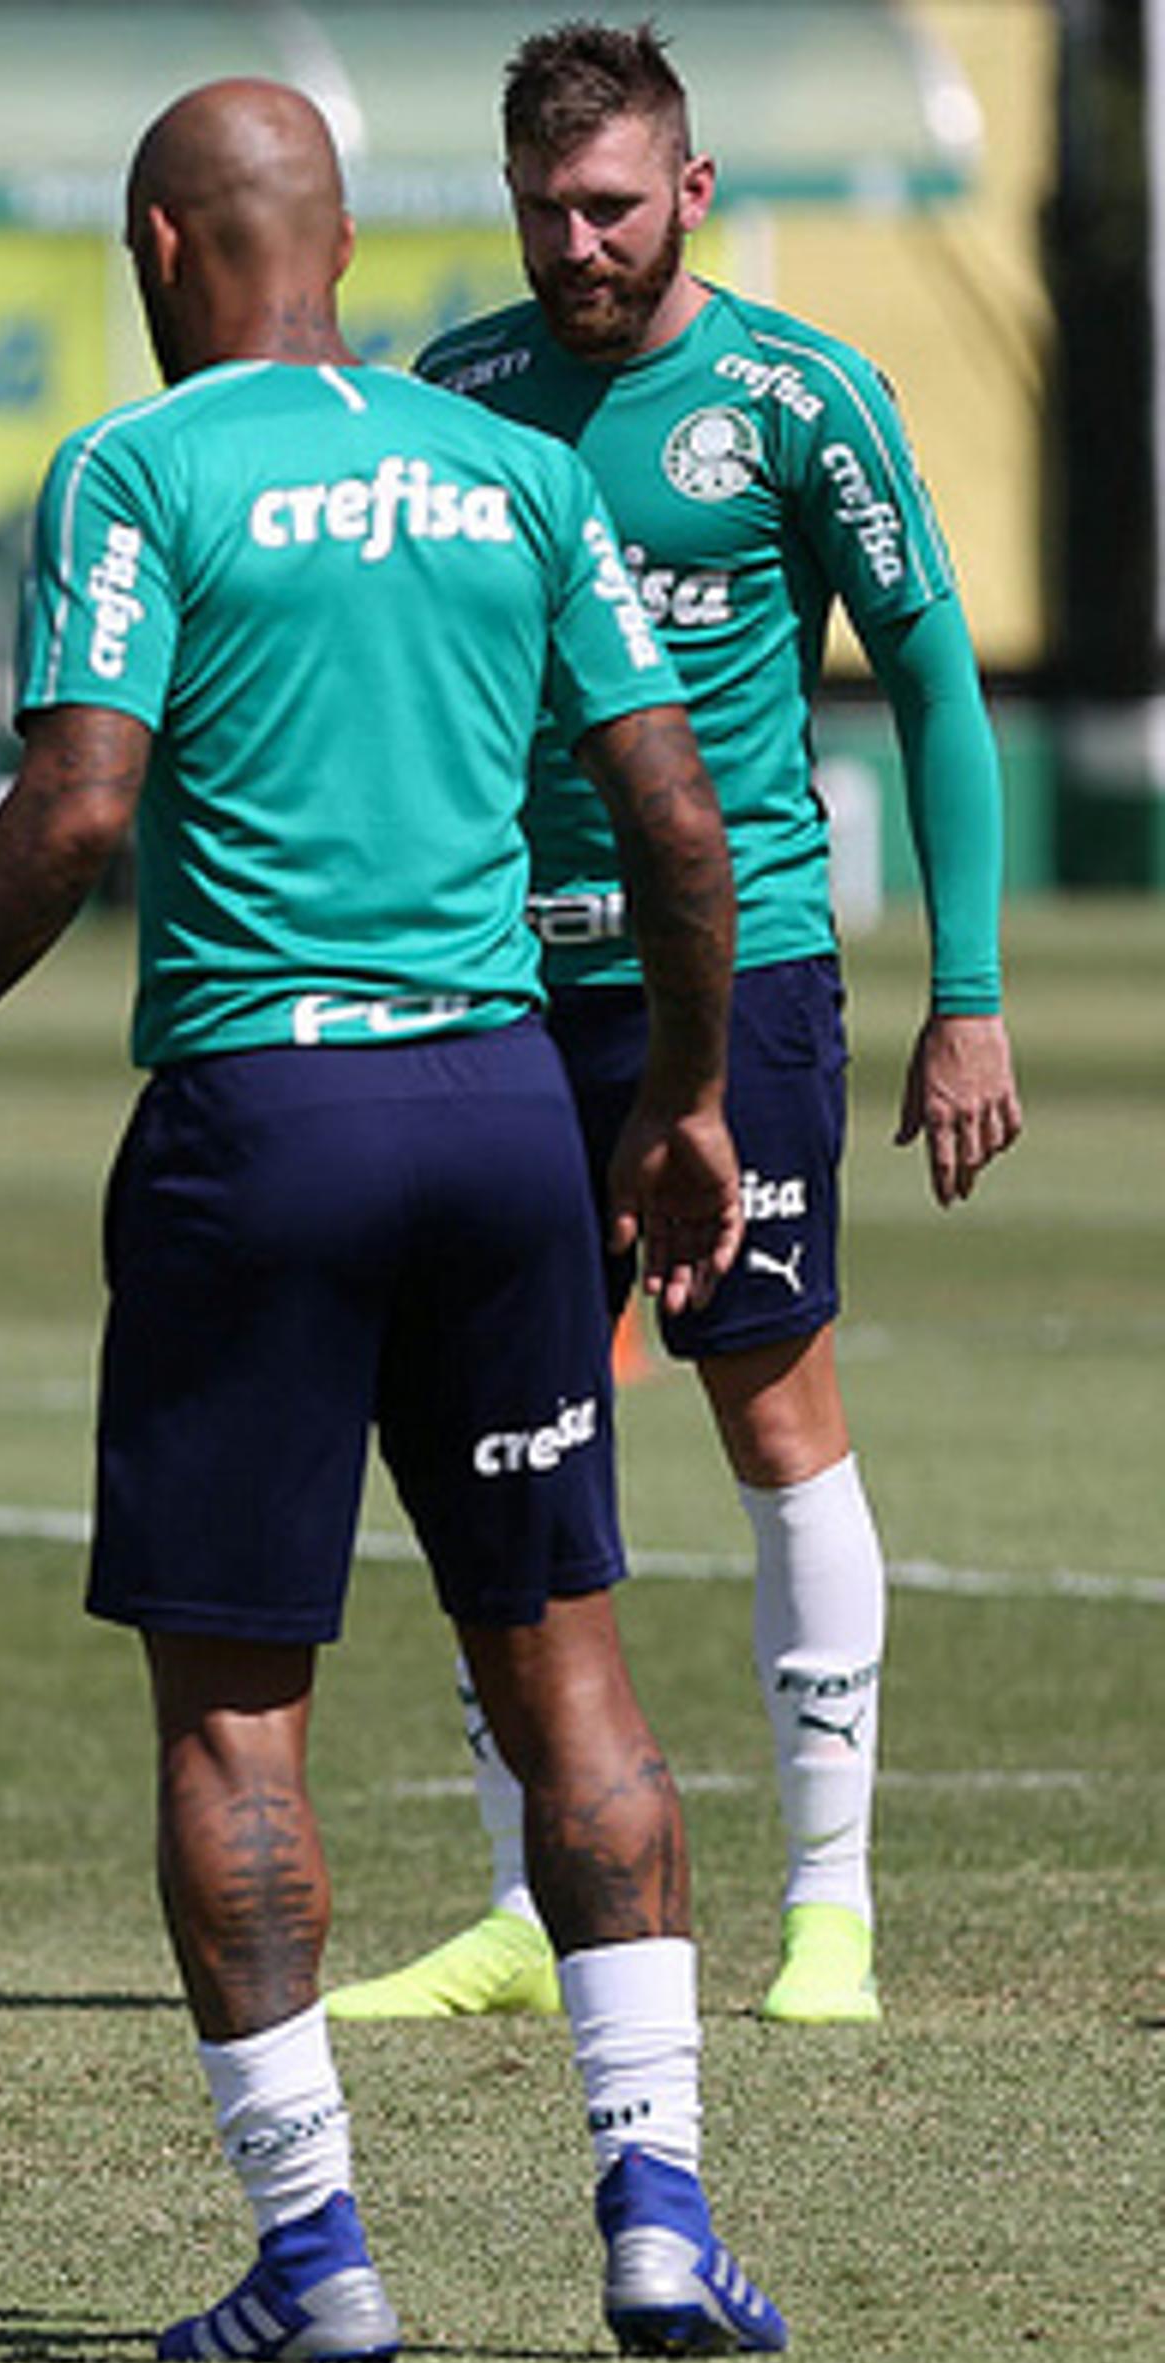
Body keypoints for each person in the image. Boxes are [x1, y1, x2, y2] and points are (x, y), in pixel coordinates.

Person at [0, 84, 790, 2361]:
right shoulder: (511, 468)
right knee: (569, 1671)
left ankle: (318, 2256)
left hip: (265, 1122)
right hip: (508, 1111)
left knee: (238, 1727)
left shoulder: (140, 467)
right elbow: (681, 813)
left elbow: (76, 804)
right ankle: (657, 2211)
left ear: (157, 241)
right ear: (342, 232)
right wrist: (688, 1093)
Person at [332, 16, 1020, 2033]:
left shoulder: (799, 400)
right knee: (494, 1424)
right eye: (546, 208)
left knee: (769, 1407)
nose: (579, 244)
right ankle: (528, 1904)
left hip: (745, 982)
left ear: (691, 191)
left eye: (613, 204)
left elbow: (940, 686)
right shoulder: (456, 395)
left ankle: (832, 1908)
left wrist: (964, 1000)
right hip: (489, 989)